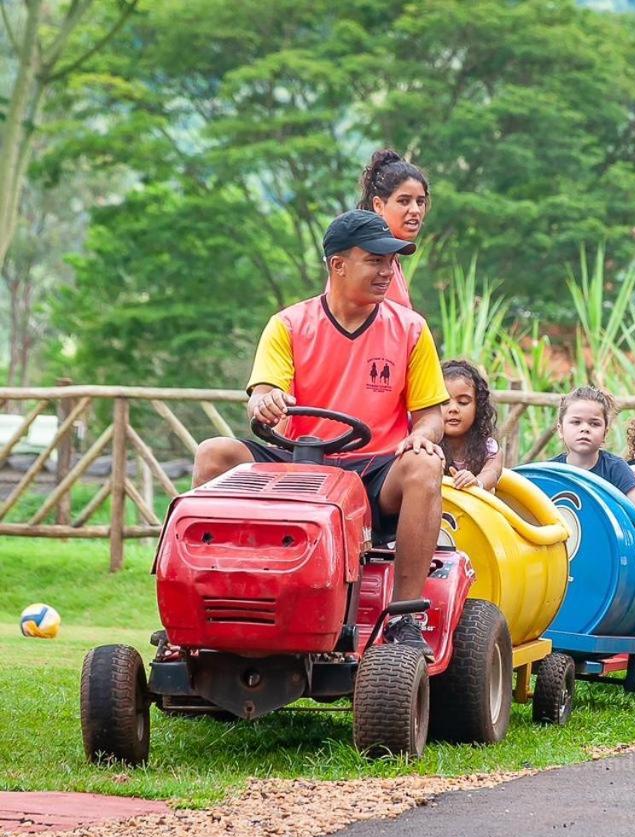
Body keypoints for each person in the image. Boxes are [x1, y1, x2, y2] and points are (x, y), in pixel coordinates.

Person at [193, 210, 449, 651]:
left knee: (425, 465)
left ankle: (406, 617)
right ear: (338, 265)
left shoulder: (411, 329)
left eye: (391, 261)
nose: (387, 271)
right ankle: (207, 602)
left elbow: (431, 415)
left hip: (373, 474)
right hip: (296, 467)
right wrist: (265, 400)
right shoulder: (288, 324)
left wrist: (424, 434)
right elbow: (264, 390)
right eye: (375, 260)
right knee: (213, 453)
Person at [551, 386, 635, 536]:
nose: (585, 429)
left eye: (594, 424)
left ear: (605, 433)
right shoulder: (551, 471)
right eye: (576, 422)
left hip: (607, 544)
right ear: (560, 430)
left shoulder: (615, 468)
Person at [350, 149, 431, 308]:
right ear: (378, 205)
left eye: (420, 202)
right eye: (404, 201)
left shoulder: (390, 257)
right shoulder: (366, 259)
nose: (415, 210)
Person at [440, 359, 503, 491]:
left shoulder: (488, 448)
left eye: (462, 402)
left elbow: (492, 472)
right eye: (444, 402)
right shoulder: (429, 445)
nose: (453, 409)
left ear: (478, 407)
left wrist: (477, 483)